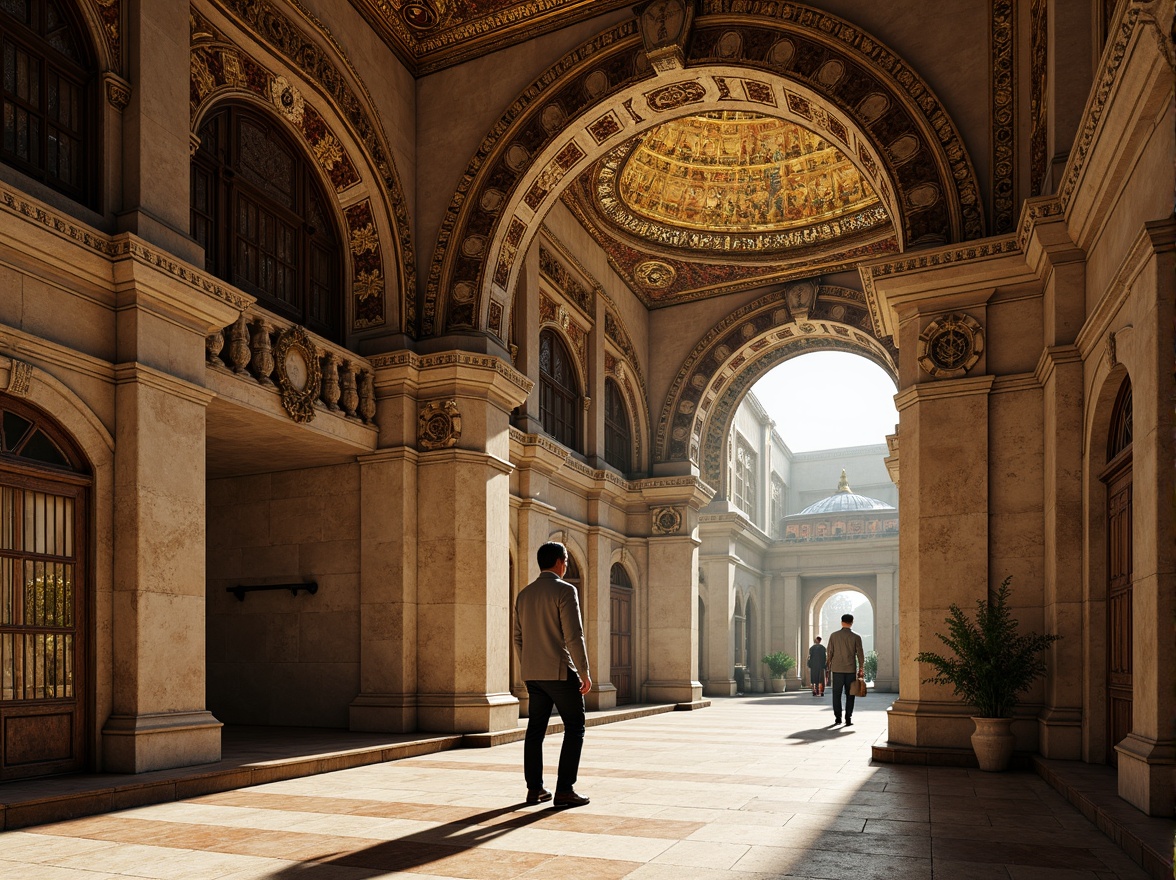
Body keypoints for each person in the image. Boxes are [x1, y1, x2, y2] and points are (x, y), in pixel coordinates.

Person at [513, 541, 592, 807]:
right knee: (575, 727)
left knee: (535, 731)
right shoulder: (565, 590)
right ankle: (565, 790)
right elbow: (574, 636)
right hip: (560, 672)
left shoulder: (524, 594)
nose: (566, 565)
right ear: (560, 562)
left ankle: (535, 790)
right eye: (566, 560)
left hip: (533, 674)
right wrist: (585, 672)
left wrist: (528, 665)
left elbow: (518, 637)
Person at [826, 612, 865, 726]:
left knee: (836, 694)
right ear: (852, 623)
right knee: (850, 694)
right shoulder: (856, 637)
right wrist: (861, 667)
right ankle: (848, 718)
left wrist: (828, 665)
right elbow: (860, 654)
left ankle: (838, 718)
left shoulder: (834, 636)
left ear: (841, 622)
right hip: (850, 670)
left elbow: (830, 652)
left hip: (837, 669)